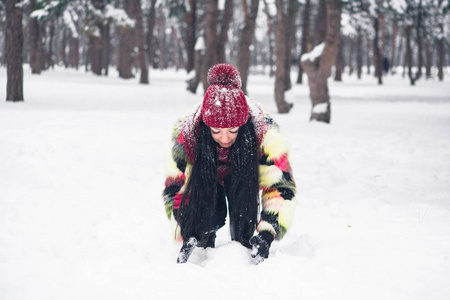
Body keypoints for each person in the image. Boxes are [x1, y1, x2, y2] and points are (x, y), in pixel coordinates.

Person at [162, 64, 296, 264]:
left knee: (243, 218)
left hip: (244, 173)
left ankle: (243, 244)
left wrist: (268, 233)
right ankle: (202, 244)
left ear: (243, 126)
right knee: (207, 220)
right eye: (216, 131)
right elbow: (175, 187)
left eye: (233, 130)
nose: (224, 139)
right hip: (205, 177)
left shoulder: (265, 131)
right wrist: (186, 226)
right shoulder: (187, 134)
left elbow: (280, 187)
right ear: (206, 127)